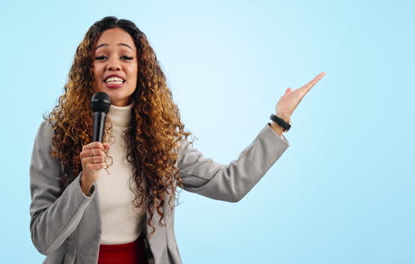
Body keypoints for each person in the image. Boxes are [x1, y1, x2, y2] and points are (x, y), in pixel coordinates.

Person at [29, 16, 325, 264]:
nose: (114, 64)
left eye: (126, 56)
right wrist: (83, 184)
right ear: (87, 70)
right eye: (101, 56)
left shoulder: (160, 137)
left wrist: (279, 121)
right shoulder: (56, 133)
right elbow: (43, 238)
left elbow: (230, 184)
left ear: (140, 68)